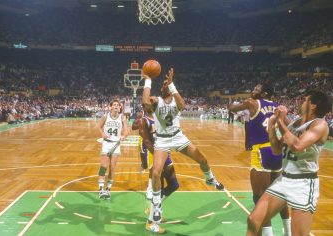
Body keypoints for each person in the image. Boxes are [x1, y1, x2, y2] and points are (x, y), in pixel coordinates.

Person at [142, 68, 224, 233]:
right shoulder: (156, 100)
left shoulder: (175, 100)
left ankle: (210, 179)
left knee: (203, 160)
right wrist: (148, 81)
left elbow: (183, 105)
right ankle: (156, 206)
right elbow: (145, 103)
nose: (164, 85)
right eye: (163, 84)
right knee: (156, 173)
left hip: (178, 137)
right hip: (163, 140)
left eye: (166, 84)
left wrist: (171, 84)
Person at [247, 90, 332, 236]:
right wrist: (271, 128)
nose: (301, 101)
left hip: (303, 183)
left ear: (313, 106)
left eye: (305, 100)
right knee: (254, 220)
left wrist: (280, 120)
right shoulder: (295, 123)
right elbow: (276, 150)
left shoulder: (320, 124)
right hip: (285, 179)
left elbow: (297, 146)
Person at [228, 84, 290, 236]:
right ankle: (288, 231)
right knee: (279, 194)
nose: (253, 90)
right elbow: (289, 125)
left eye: (256, 89)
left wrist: (231, 102)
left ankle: (269, 234)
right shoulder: (277, 106)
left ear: (265, 93)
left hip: (262, 151)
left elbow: (232, 108)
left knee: (260, 197)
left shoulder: (252, 103)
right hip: (277, 151)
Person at [97, 99, 128, 199]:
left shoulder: (122, 118)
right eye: (114, 105)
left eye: (118, 105)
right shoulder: (105, 116)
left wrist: (124, 136)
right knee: (103, 166)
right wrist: (102, 134)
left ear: (119, 108)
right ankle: (101, 189)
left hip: (116, 144)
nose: (116, 106)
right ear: (110, 107)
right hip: (106, 143)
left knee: (112, 168)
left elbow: (127, 130)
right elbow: (98, 126)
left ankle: (108, 189)